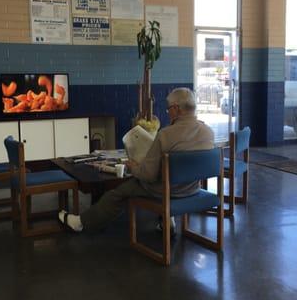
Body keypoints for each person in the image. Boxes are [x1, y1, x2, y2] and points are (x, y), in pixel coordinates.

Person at [59, 87, 215, 233]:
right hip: (192, 189)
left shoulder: (166, 134)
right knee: (163, 175)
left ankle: (80, 222)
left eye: (168, 109)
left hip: (164, 192)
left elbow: (148, 175)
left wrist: (133, 166)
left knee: (117, 193)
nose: (168, 113)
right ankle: (168, 218)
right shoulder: (208, 132)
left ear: (176, 108)